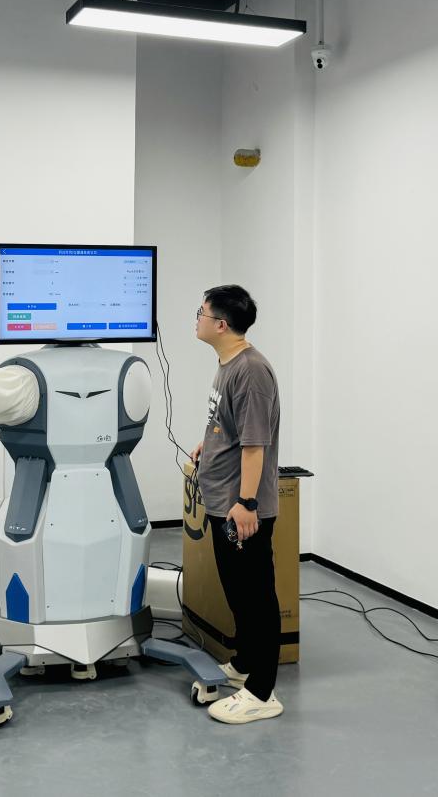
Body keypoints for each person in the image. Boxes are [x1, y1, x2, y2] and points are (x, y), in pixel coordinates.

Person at [190, 284, 283, 724]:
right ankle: (245, 663)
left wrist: (246, 502)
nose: (197, 319)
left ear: (220, 324)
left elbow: (254, 444)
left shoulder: (252, 371)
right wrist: (206, 446)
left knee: (256, 595)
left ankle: (263, 691)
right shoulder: (227, 365)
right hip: (221, 498)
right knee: (237, 592)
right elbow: (227, 426)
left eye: (201, 313)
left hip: (240, 507)